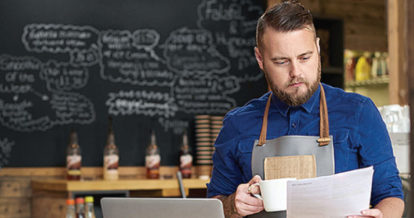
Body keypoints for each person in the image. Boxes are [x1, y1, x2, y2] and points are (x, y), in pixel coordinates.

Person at [207, 1, 404, 218]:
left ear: (318, 48)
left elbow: (391, 195)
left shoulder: (359, 112)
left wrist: (381, 215)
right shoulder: (237, 124)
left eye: (304, 58)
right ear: (260, 59)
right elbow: (214, 206)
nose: (295, 72)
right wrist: (232, 205)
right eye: (281, 61)